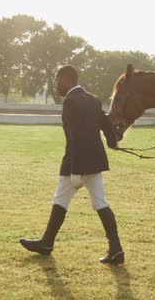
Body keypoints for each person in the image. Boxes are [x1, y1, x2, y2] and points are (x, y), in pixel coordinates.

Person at [19, 65, 124, 264]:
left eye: (58, 80)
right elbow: (106, 124)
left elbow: (74, 137)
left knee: (60, 200)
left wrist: (76, 170)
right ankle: (116, 249)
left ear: (66, 79)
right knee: (100, 203)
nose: (57, 84)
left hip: (75, 162)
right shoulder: (93, 100)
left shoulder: (70, 102)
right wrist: (113, 142)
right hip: (94, 162)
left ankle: (46, 243)